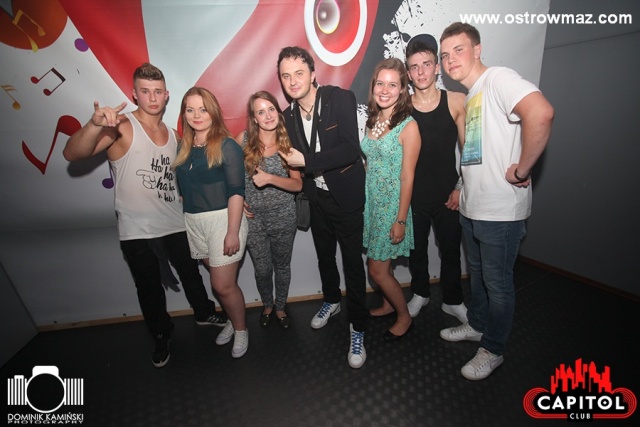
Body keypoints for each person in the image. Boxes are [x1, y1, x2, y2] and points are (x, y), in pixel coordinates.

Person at [63, 63, 226, 369]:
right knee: (149, 288)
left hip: (175, 221)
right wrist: (94, 125)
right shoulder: (122, 127)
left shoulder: (175, 135)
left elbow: (193, 178)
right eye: (145, 91)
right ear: (134, 94)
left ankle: (204, 313)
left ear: (166, 95)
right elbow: (72, 154)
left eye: (157, 92)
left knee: (191, 274)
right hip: (136, 229)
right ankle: (161, 335)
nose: (152, 97)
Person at [438, 23, 554, 380]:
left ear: (477, 49)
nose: (450, 59)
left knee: (498, 285)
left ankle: (493, 349)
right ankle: (477, 325)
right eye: (445, 54)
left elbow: (541, 112)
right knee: (478, 277)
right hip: (473, 206)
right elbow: (476, 152)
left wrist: (522, 169)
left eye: (458, 50)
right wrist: (462, 186)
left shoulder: (498, 78)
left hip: (500, 212)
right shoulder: (472, 94)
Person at [277, 46, 368, 369]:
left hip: (346, 199)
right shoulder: (287, 116)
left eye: (299, 73)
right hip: (316, 199)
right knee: (325, 257)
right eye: (286, 76)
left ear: (313, 74)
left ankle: (358, 328)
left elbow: (350, 149)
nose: (293, 81)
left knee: (353, 265)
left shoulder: (339, 99)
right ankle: (331, 300)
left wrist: (308, 161)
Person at [173, 87, 250, 358]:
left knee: (222, 285)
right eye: (190, 109)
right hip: (194, 222)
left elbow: (237, 191)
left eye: (203, 109)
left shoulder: (227, 145)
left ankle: (241, 329)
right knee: (218, 281)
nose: (197, 115)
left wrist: (232, 231)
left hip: (223, 221)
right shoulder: (182, 147)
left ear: (213, 111)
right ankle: (233, 320)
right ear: (183, 114)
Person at [403, 34, 468, 322]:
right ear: (408, 73)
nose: (421, 72)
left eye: (427, 64)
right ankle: (420, 293)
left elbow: (469, 151)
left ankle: (453, 300)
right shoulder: (402, 107)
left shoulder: (456, 101)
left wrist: (460, 187)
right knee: (416, 251)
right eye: (414, 67)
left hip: (447, 194)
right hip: (414, 195)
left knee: (451, 250)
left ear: (437, 67)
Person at [361, 58, 421, 340]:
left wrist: (400, 220)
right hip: (373, 204)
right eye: (380, 83)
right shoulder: (373, 120)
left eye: (392, 85)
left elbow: (408, 178)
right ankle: (387, 304)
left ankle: (404, 315)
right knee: (380, 267)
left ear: (402, 89)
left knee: (376, 269)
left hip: (392, 209)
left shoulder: (409, 127)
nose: (385, 90)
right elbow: (371, 162)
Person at [236, 91, 302, 330]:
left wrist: (270, 178)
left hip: (283, 216)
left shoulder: (288, 144)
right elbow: (229, 175)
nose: (267, 116)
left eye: (271, 109)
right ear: (254, 118)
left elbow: (298, 184)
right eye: (261, 112)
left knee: (282, 266)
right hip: (254, 219)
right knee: (262, 269)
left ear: (278, 111)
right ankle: (267, 304)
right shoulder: (243, 140)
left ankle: (281, 306)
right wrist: (238, 200)